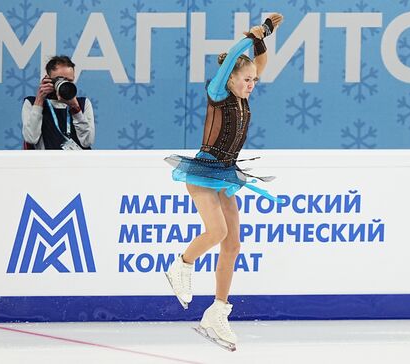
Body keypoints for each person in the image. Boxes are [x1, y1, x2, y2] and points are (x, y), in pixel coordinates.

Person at [164, 13, 284, 351]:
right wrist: (253, 33)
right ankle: (181, 265)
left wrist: (264, 36)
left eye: (254, 82)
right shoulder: (218, 91)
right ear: (230, 78)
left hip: (227, 174)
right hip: (203, 171)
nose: (250, 85)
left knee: (232, 244)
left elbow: (257, 61)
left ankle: (217, 312)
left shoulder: (244, 96)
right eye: (246, 79)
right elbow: (236, 57)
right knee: (216, 232)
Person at [22, 56, 95, 150]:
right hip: (46, 162)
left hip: (76, 163)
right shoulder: (32, 103)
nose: (64, 84)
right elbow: (31, 139)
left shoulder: (83, 104)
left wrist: (76, 108)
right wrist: (39, 100)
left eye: (69, 81)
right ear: (48, 79)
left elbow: (87, 142)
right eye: (59, 80)